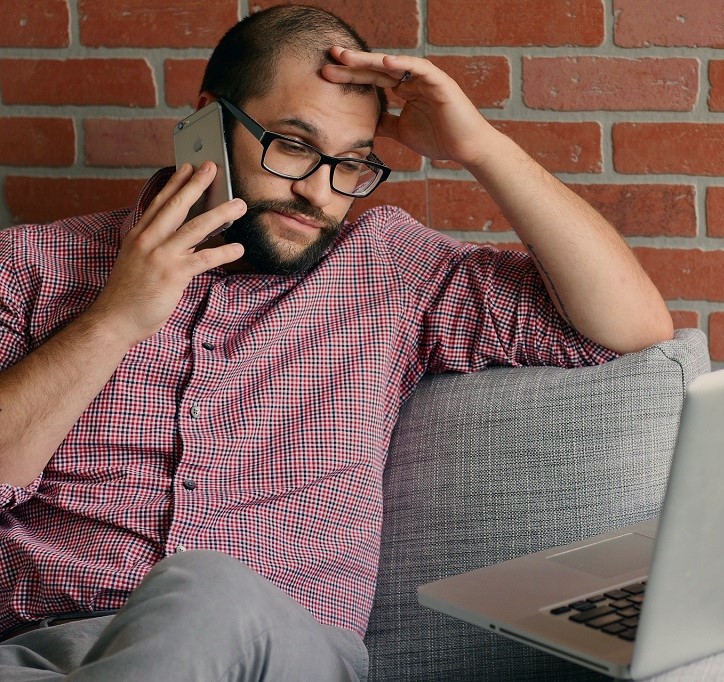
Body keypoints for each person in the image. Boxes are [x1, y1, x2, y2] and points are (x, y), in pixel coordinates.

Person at [0, 4, 672, 680]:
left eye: (351, 165)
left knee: (202, 589)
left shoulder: (389, 271)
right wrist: (114, 320)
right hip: (38, 654)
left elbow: (630, 325)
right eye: (292, 145)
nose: (319, 193)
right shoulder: (31, 266)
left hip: (275, 653)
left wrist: (481, 147)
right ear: (208, 120)